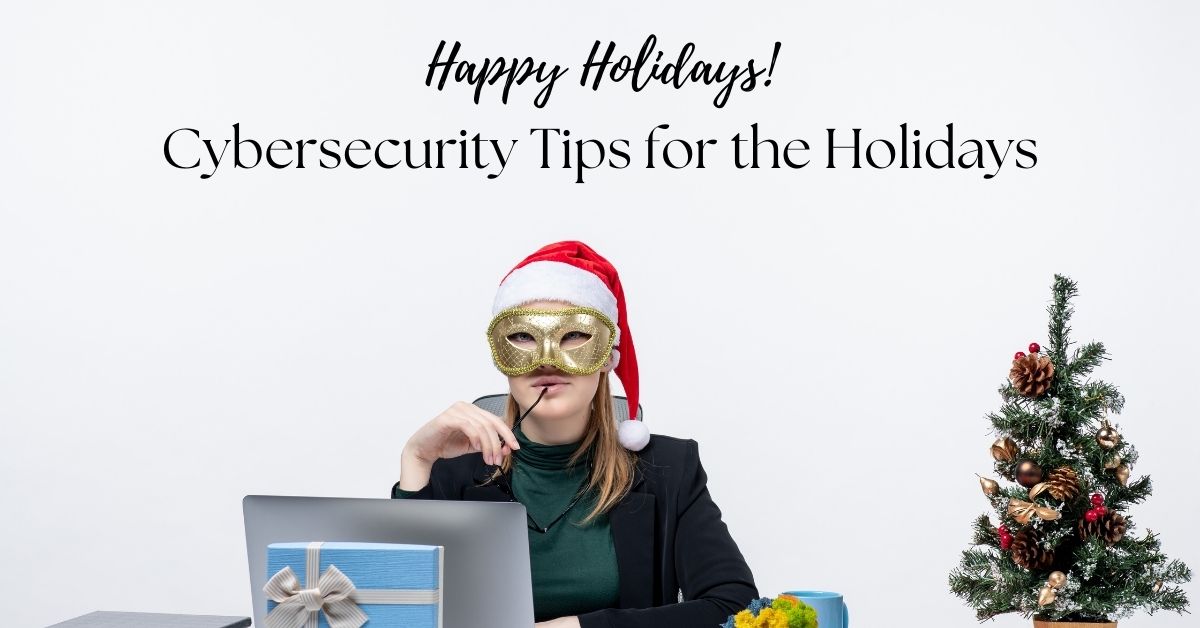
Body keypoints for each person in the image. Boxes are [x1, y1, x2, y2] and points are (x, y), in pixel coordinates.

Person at [393, 241, 758, 628]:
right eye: (522, 337)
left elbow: (734, 604)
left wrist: (577, 627)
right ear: (501, 356)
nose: (548, 359)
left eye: (574, 337)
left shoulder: (669, 469)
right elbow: (398, 609)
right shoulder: (455, 472)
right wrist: (416, 460)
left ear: (607, 357)